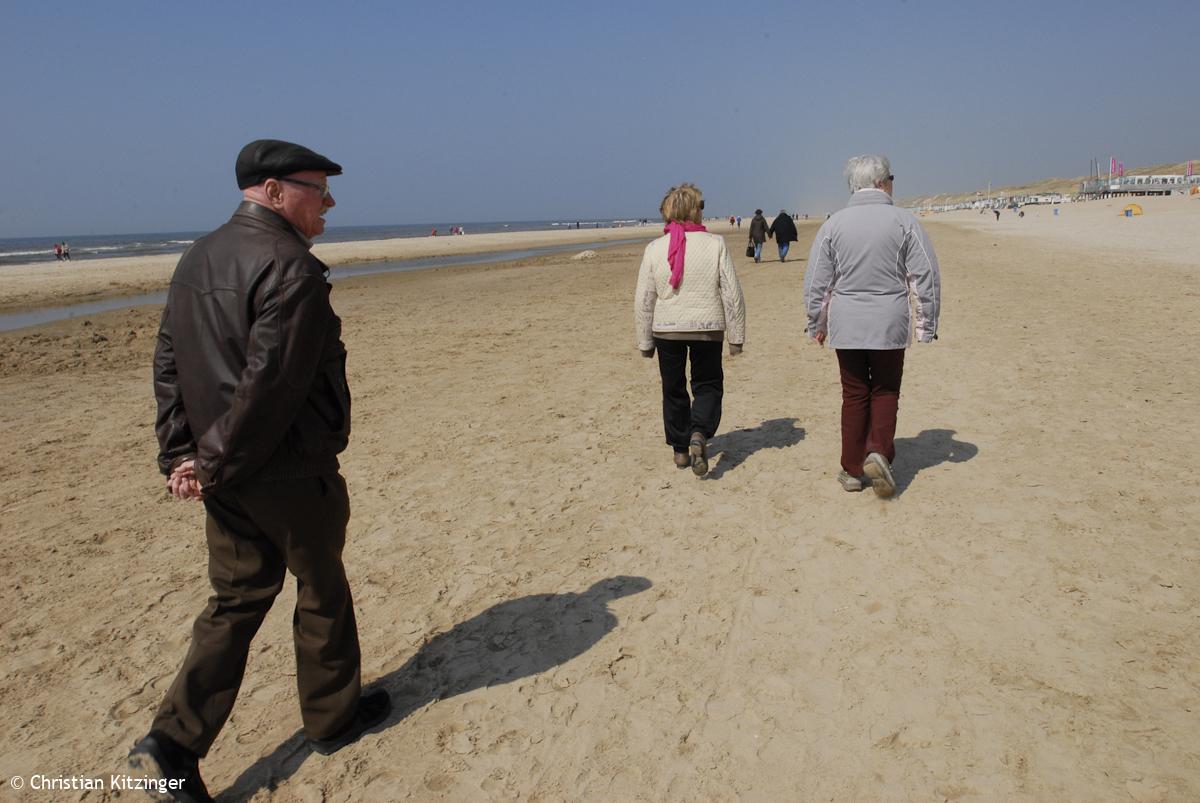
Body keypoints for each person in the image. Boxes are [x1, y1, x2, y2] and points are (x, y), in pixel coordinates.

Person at [129, 139, 391, 801]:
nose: (329, 200)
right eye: (317, 187)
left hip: (227, 470)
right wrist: (202, 459)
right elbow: (267, 387)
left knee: (236, 599)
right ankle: (333, 716)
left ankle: (172, 741)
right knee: (321, 587)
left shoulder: (199, 256)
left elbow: (168, 365)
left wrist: (184, 454)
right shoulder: (289, 267)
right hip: (285, 468)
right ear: (273, 190)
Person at [803, 155, 940, 497]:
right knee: (885, 389)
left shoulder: (833, 225)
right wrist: (926, 324)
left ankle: (851, 470)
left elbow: (817, 282)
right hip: (889, 321)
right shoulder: (904, 221)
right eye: (891, 177)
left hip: (847, 322)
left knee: (854, 393)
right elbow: (925, 277)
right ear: (881, 183)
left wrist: (816, 323)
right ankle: (877, 450)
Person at [635, 183, 746, 476]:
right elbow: (731, 293)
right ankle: (699, 432)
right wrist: (736, 337)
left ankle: (681, 451)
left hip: (667, 331)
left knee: (673, 389)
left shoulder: (654, 249)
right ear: (694, 210)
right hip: (707, 329)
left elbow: (644, 299)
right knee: (707, 384)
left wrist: (645, 341)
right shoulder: (715, 244)